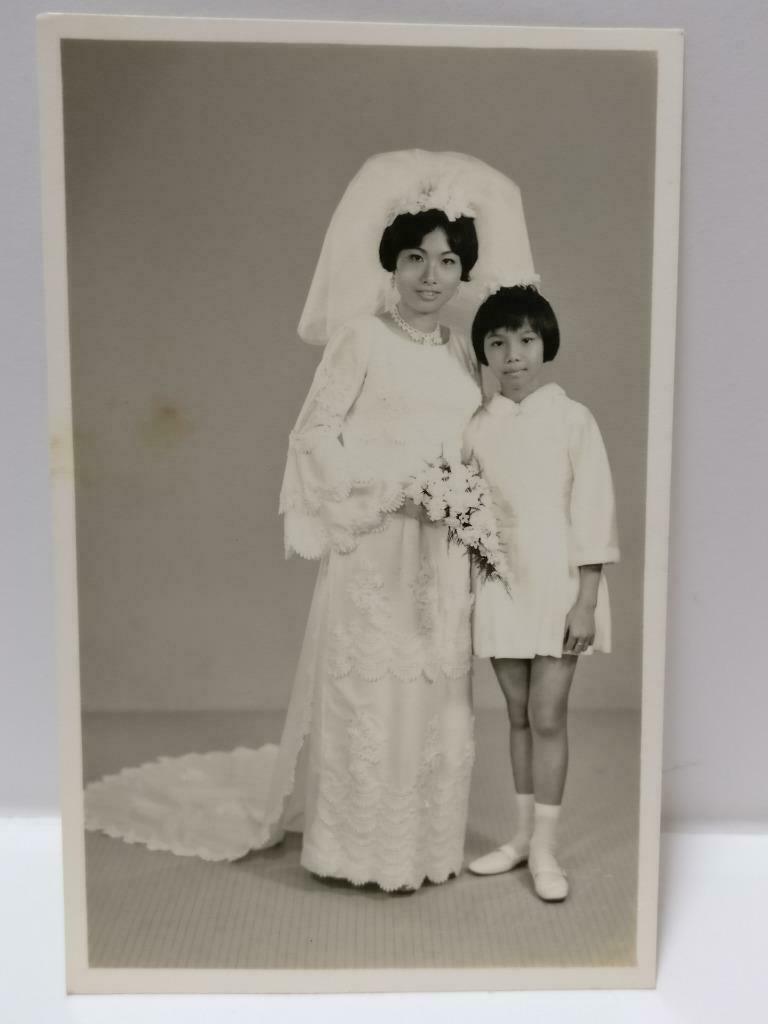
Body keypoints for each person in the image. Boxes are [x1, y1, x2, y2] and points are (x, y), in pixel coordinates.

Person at [83, 151, 540, 892]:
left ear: (465, 271)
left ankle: (423, 847)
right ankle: (355, 850)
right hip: (377, 548)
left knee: (435, 700)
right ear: (391, 262)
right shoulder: (362, 339)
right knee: (369, 692)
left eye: (449, 260)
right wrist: (394, 489)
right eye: (417, 257)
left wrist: (471, 502)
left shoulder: (462, 350)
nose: (431, 275)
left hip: (440, 558)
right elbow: (313, 437)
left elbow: (472, 445)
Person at [463, 286, 619, 901]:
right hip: (501, 585)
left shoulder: (572, 417)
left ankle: (547, 850)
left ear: (545, 343)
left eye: (525, 340)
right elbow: (468, 514)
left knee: (548, 715)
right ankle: (522, 837)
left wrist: (586, 598)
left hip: (559, 585)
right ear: (484, 352)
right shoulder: (476, 426)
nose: (513, 356)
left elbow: (594, 510)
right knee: (517, 714)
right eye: (498, 343)